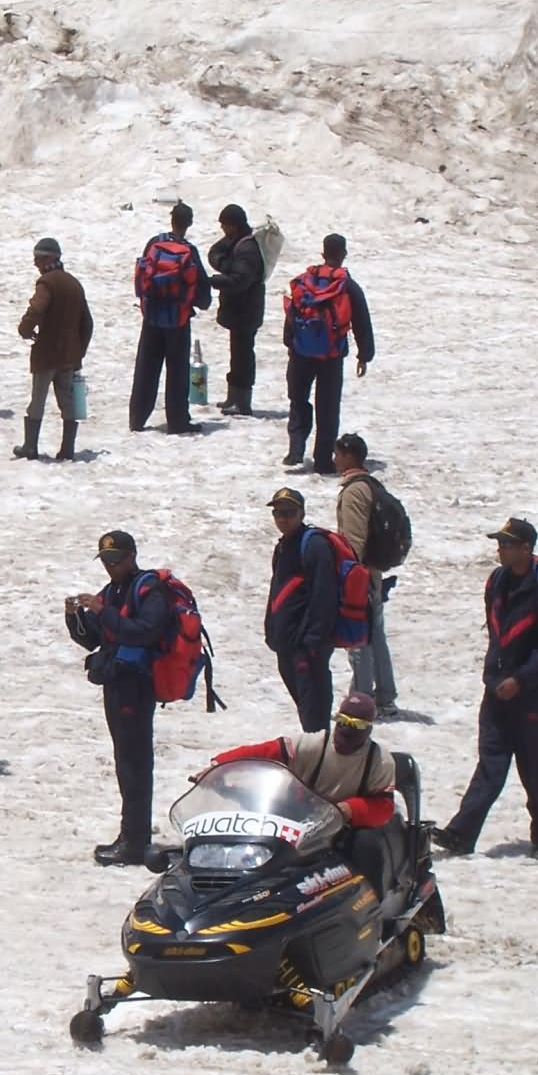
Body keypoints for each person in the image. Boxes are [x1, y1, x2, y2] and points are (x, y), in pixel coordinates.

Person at [435, 519, 538, 860]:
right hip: (496, 691)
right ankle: (461, 834)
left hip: (530, 695)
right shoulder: (496, 581)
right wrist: (494, 678)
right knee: (490, 765)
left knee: (535, 768)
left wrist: (521, 680)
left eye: (507, 544)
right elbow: (498, 636)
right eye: (500, 543)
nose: (500, 549)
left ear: (526, 548)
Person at [206, 692, 401, 894]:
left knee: (367, 845)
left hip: (347, 828)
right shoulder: (315, 745)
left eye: (356, 724)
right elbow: (267, 751)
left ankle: (375, 908)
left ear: (368, 729)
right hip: (303, 818)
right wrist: (219, 764)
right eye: (342, 720)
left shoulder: (379, 761)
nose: (345, 728)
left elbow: (384, 807)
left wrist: (349, 809)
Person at [65, 530, 173, 867]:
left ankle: (135, 841)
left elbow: (143, 632)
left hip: (136, 686)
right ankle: (131, 834)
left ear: (131, 557)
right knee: (126, 761)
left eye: (116, 560)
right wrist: (74, 617)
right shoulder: (112, 591)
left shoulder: (149, 589)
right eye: (106, 561)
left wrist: (103, 611)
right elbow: (93, 639)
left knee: (134, 762)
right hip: (116, 683)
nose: (111, 567)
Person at [284, 234, 375, 473]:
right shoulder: (347, 286)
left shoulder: (305, 280)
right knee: (327, 407)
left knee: (298, 400)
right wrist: (364, 355)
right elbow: (361, 321)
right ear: (343, 253)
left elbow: (292, 312)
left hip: (301, 352)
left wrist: (291, 344)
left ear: (323, 253)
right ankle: (323, 460)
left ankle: (295, 449)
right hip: (331, 356)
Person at [130, 201, 212, 434]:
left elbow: (142, 274)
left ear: (171, 218)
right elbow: (201, 289)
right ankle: (177, 421)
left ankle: (137, 418)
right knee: (177, 372)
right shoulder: (189, 250)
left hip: (152, 316)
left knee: (146, 367)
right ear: (190, 223)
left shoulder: (154, 243)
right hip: (178, 319)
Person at [12, 237, 92, 462]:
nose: (36, 263)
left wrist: (25, 329)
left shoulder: (46, 283)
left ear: (51, 258)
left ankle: (30, 446)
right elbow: (87, 323)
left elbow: (37, 308)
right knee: (66, 400)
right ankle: (67, 449)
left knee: (37, 399)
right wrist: (79, 351)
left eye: (39, 258)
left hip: (47, 352)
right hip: (69, 354)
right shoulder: (73, 283)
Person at [265, 487, 338, 735]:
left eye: (289, 512)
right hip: (287, 646)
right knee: (307, 715)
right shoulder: (285, 546)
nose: (283, 518)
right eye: (278, 513)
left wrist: (311, 643)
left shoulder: (315, 546)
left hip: (307, 650)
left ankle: (321, 768)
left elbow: (324, 597)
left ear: (302, 513)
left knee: (315, 723)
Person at [334, 433, 398, 715]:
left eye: (338, 454)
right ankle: (385, 696)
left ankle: (360, 699)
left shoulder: (354, 492)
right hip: (372, 573)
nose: (335, 459)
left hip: (358, 576)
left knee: (358, 637)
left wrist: (348, 577)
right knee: (375, 634)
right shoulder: (371, 485)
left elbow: (354, 540)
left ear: (348, 456)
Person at [207, 203, 266, 417]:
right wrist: (226, 264)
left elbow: (240, 280)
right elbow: (215, 253)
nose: (223, 230)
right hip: (241, 311)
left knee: (243, 356)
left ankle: (242, 401)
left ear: (233, 226)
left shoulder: (247, 249)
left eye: (225, 226)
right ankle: (234, 397)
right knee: (237, 354)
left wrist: (214, 281)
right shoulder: (238, 243)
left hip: (246, 311)